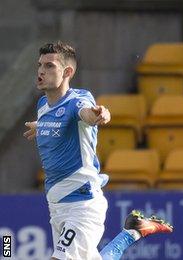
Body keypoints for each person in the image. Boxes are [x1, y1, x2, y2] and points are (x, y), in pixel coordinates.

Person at [23, 41, 173, 260]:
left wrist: (99, 114)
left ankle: (132, 233)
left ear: (67, 72)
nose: (41, 71)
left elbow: (87, 114)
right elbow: (58, 120)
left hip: (82, 205)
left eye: (49, 66)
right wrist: (42, 126)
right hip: (56, 207)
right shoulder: (43, 106)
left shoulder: (78, 101)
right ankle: (133, 231)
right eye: (40, 65)